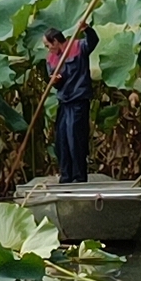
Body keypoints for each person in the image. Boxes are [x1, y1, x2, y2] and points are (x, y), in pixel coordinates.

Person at [44, 24, 100, 184]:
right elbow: (53, 80)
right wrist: (55, 81)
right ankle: (66, 175)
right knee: (62, 139)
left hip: (78, 100)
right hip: (64, 101)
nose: (48, 49)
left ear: (55, 41)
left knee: (75, 137)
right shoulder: (51, 59)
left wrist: (87, 29)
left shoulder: (78, 46)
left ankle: (78, 176)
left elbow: (93, 41)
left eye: (48, 45)